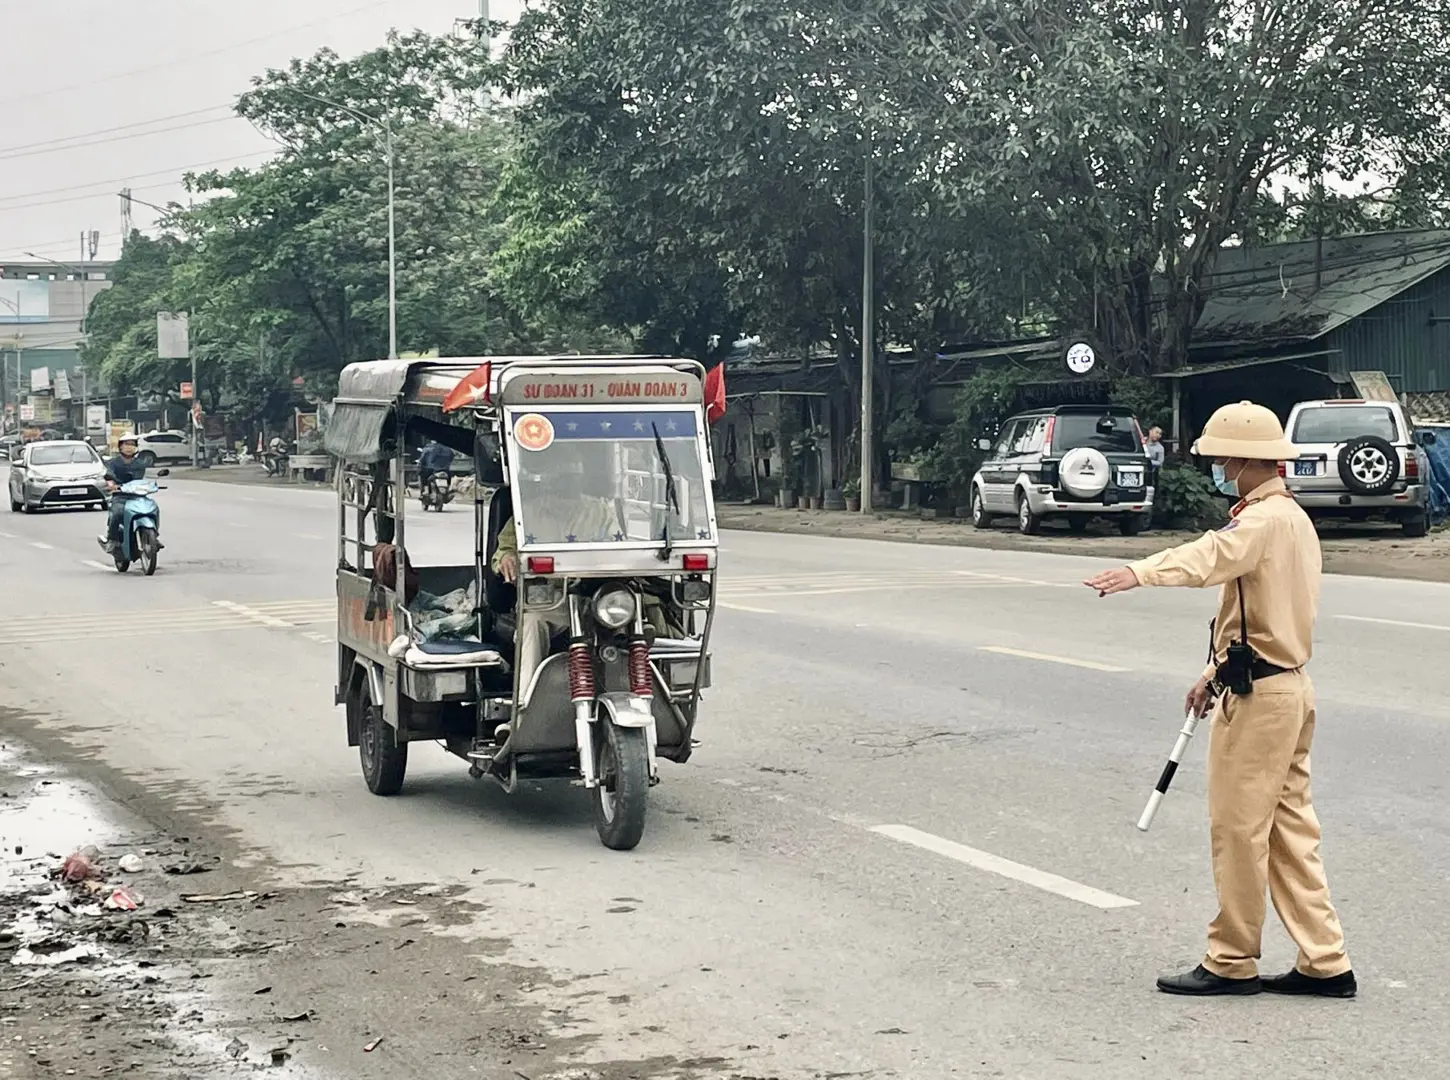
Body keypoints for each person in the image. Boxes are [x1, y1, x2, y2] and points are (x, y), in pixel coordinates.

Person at [1084, 400, 1354, 999]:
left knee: (1238, 829)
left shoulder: (1259, 523)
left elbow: (1208, 557)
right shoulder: (1293, 518)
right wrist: (1213, 670)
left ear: (1243, 459)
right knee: (1288, 829)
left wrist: (1140, 572)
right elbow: (1260, 613)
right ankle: (1325, 959)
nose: (1218, 467)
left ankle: (1232, 958)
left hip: (1261, 701)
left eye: (1222, 458)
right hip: (1286, 685)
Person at [97, 434, 148, 553]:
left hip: (138, 496)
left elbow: (142, 479)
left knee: (152, 509)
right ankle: (112, 541)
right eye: (126, 444)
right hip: (120, 496)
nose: (129, 447)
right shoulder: (114, 463)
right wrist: (111, 484)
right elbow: (109, 475)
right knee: (117, 514)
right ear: (120, 447)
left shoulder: (139, 463)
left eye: (132, 444)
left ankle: (153, 536)